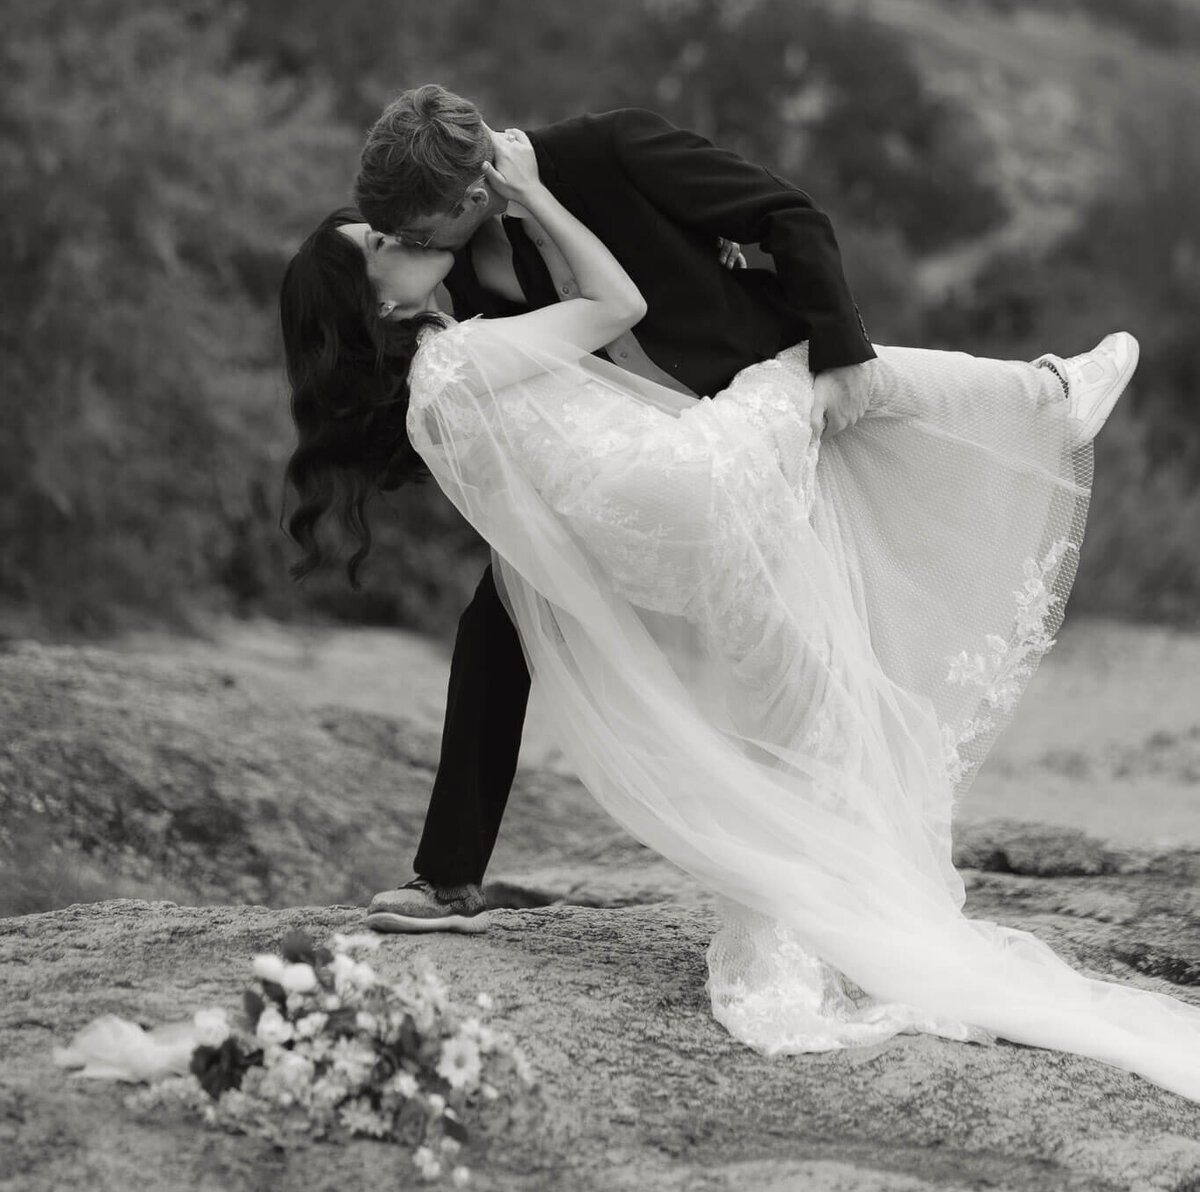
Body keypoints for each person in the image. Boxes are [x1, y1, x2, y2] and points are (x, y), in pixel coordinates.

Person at [278, 132, 1200, 1103]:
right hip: (692, 479)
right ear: (380, 296)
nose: (392, 237)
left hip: (654, 497)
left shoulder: (462, 342)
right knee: (829, 373)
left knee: (798, 692)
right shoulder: (457, 346)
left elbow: (775, 229)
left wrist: (601, 558)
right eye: (375, 242)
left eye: (387, 228)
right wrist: (541, 201)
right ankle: (1049, 392)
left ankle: (804, 911)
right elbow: (615, 310)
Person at [347, 84, 877, 927]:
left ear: (474, 194)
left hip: (749, 402)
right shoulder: (470, 259)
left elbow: (789, 215)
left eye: (420, 232)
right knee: (499, 615)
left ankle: (1049, 395)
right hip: (639, 467)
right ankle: (446, 879)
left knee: (809, 626)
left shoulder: (611, 150)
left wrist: (840, 355)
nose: (413, 247)